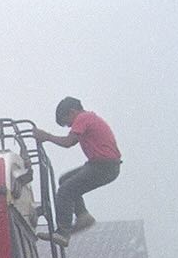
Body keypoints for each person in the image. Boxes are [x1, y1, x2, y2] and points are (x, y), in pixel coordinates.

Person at [33, 97, 122, 247]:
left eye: (68, 122)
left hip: (103, 166)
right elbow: (72, 141)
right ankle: (83, 215)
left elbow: (68, 143)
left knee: (66, 190)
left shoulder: (82, 118)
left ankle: (63, 232)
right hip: (103, 165)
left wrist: (46, 137)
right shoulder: (89, 118)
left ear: (73, 111)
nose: (70, 127)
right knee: (66, 180)